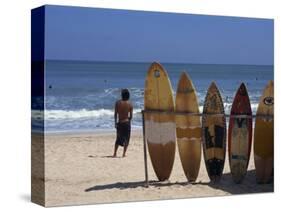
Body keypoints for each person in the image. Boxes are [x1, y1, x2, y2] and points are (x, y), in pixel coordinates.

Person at [113, 89, 133, 157]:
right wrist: (128, 121)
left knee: (118, 139)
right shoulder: (130, 104)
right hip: (127, 123)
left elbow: (115, 114)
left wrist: (115, 122)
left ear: (122, 95)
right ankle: (124, 154)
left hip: (120, 123)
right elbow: (131, 116)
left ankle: (115, 153)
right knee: (127, 139)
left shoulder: (118, 103)